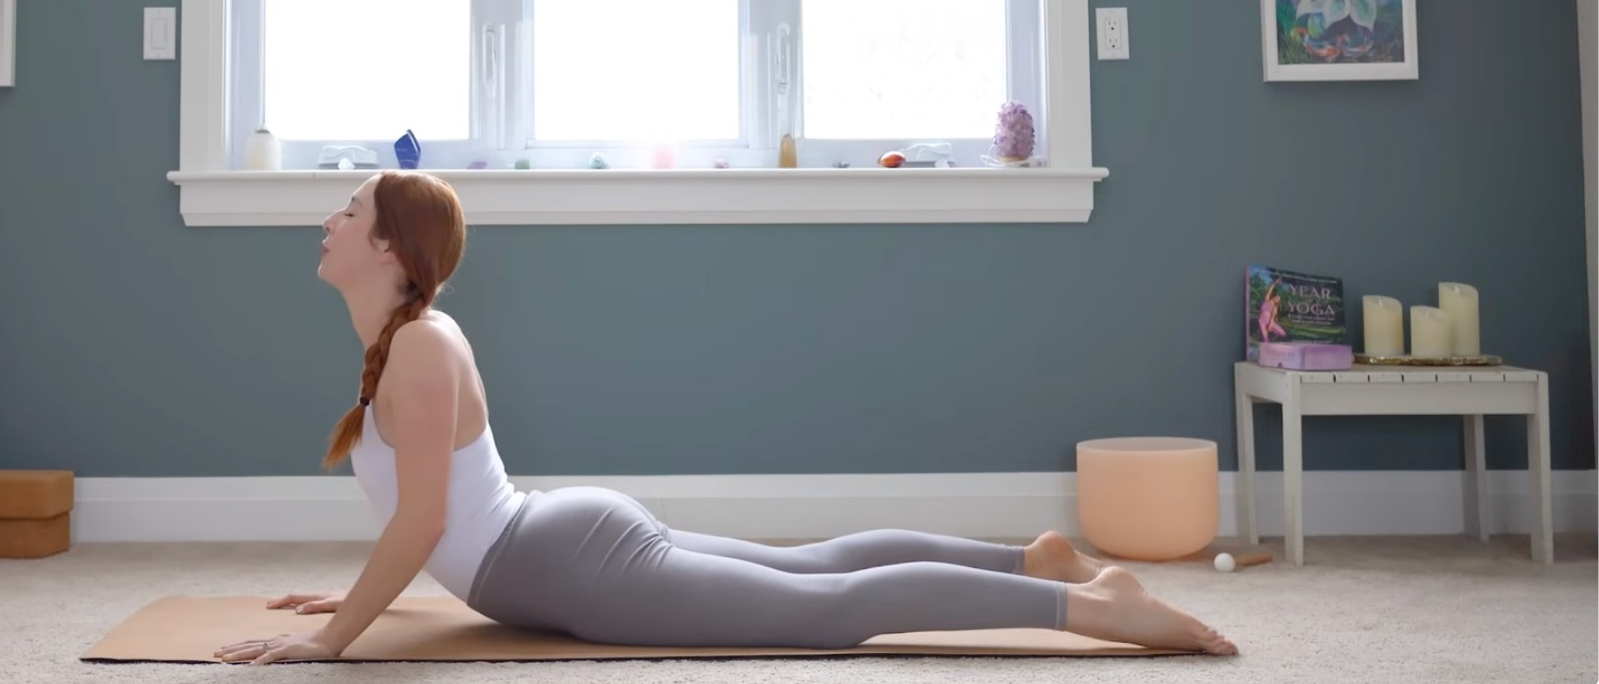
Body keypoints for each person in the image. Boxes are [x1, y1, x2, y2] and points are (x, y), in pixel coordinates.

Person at [216, 171, 1237, 665]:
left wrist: (339, 640)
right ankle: (1034, 560)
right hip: (563, 549)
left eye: (346, 212)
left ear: (391, 249)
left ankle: (1098, 610)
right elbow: (432, 520)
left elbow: (430, 520)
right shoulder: (404, 345)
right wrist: (357, 600)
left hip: (570, 564)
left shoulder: (425, 348)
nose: (328, 221)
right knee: (812, 568)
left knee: (824, 616)